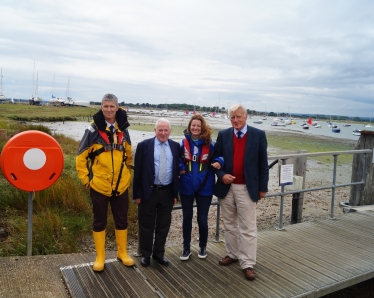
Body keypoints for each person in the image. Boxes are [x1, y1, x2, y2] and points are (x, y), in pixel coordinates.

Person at [76, 93, 134, 272]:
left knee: (122, 220)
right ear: (101, 108)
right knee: (99, 221)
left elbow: (129, 156)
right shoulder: (92, 131)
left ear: (117, 108)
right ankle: (100, 257)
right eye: (105, 106)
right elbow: (80, 158)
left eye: (112, 106)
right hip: (99, 186)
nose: (109, 110)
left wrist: (127, 175)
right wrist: (87, 181)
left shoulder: (123, 130)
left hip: (121, 186)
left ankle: (122, 253)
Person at [213, 103, 269, 281]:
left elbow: (263, 164)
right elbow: (216, 160)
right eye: (232, 117)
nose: (235, 120)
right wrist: (221, 175)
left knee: (248, 228)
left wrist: (263, 188)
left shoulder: (258, 135)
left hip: (247, 188)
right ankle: (233, 254)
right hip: (226, 187)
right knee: (229, 224)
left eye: (238, 116)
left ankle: (247, 263)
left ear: (246, 117)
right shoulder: (223, 135)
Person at [133, 118, 180, 267]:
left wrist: (174, 194)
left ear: (170, 131)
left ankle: (159, 254)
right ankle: (146, 255)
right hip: (148, 192)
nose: (163, 133)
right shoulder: (143, 146)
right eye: (160, 130)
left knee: (163, 225)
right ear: (155, 130)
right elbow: (138, 172)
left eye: (166, 130)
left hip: (166, 192)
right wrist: (137, 194)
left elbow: (176, 171)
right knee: (146, 225)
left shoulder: (175, 146)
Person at [178, 114, 223, 260]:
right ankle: (186, 248)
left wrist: (218, 162)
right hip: (186, 186)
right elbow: (177, 158)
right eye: (193, 125)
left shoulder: (211, 144)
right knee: (187, 217)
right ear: (189, 127)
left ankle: (203, 246)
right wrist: (180, 166)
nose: (195, 128)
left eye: (198, 125)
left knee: (202, 219)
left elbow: (220, 156)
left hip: (205, 186)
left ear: (202, 127)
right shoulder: (182, 143)